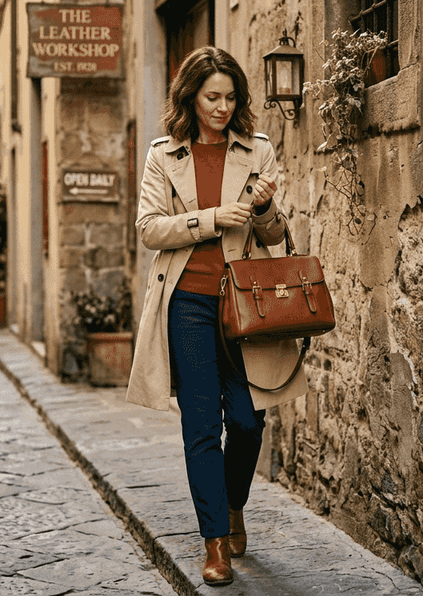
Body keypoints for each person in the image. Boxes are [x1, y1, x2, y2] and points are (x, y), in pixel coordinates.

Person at [125, 47, 311, 587]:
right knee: (201, 424)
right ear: (191, 97)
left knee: (248, 423)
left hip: (244, 305)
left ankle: (233, 506)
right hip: (186, 301)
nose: (222, 107)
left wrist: (264, 208)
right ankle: (215, 543)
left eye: (230, 97)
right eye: (212, 97)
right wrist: (209, 219)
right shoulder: (164, 155)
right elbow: (149, 228)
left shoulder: (257, 150)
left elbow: (274, 235)